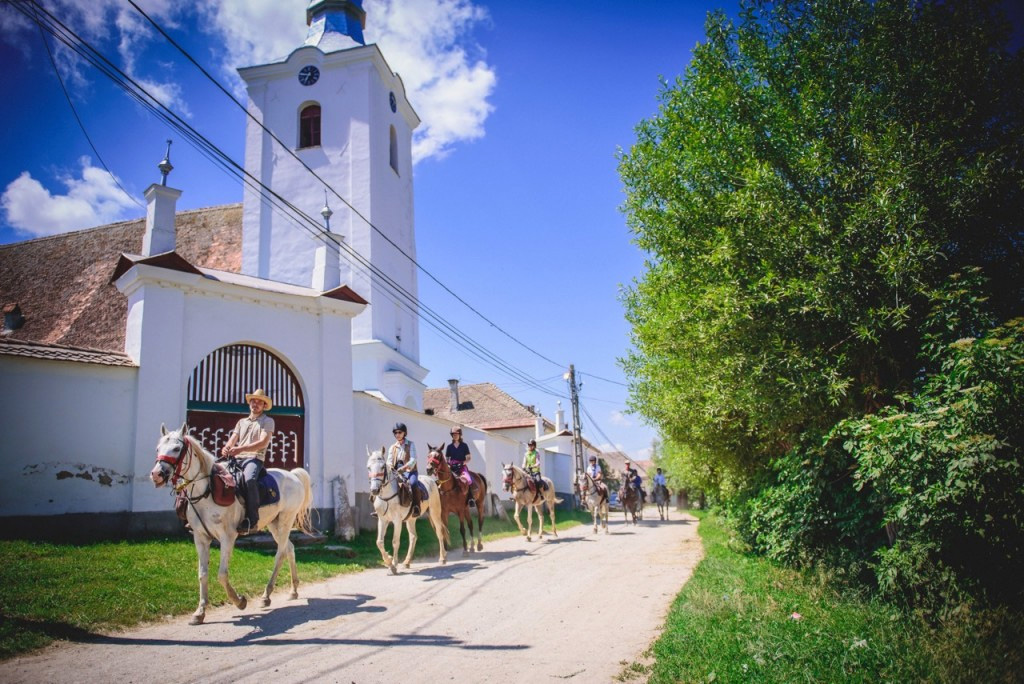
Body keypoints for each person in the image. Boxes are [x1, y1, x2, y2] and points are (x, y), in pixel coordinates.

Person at [221, 389, 275, 535]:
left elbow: (263, 442)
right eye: (253, 401)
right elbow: (233, 439)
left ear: (264, 406)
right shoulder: (241, 422)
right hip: (236, 459)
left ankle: (253, 519)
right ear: (249, 403)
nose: (255, 404)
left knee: (249, 479)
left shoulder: (267, 421)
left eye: (259, 402)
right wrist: (227, 448)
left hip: (254, 458)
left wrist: (240, 449)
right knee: (216, 475)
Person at [387, 422, 421, 516]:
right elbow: (389, 461)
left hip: (410, 471)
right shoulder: (392, 447)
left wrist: (404, 468)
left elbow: (413, 459)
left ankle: (416, 507)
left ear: (404, 433)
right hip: (396, 471)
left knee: (413, 483)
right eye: (396, 433)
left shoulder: (411, 444)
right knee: (382, 482)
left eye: (399, 432)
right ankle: (380, 508)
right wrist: (390, 466)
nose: (397, 434)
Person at [445, 426, 475, 508]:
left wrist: (463, 463)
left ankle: (470, 498)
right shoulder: (449, 447)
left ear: (460, 435)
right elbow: (447, 459)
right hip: (452, 467)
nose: (455, 436)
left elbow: (468, 458)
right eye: (453, 434)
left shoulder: (464, 445)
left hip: (462, 467)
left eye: (457, 434)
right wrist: (449, 464)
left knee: (468, 479)